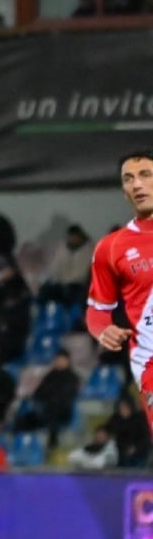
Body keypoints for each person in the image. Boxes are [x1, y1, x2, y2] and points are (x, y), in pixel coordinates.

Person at [88, 150, 153, 440]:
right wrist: (103, 331)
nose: (136, 185)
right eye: (128, 179)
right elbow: (97, 310)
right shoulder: (111, 247)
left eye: (145, 175)